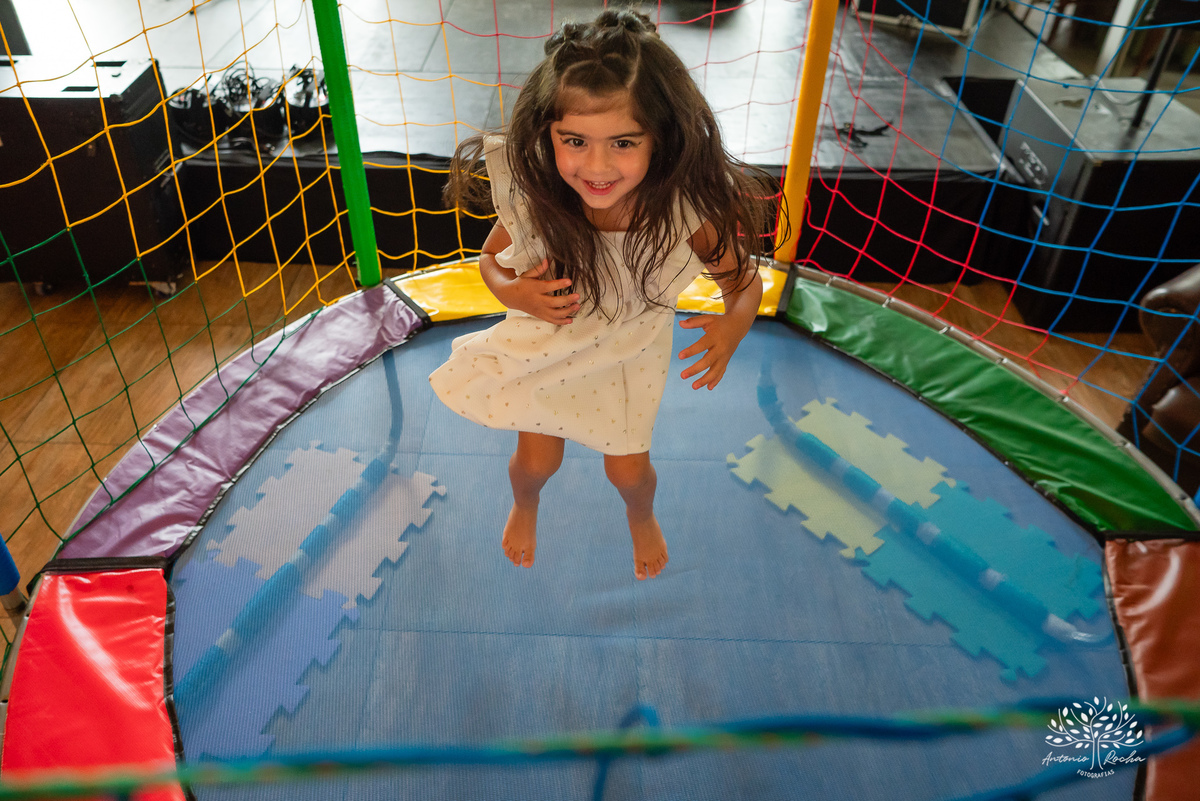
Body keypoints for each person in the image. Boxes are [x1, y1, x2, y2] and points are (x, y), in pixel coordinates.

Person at [429, 8, 777, 580]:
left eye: (622, 142)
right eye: (574, 141)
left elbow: (743, 284)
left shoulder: (684, 213)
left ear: (660, 138)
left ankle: (642, 518)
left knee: (629, 475)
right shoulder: (544, 195)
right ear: (548, 134)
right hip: (551, 342)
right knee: (536, 463)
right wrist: (516, 293)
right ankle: (525, 504)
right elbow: (489, 259)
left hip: (627, 356)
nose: (595, 166)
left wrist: (731, 328)